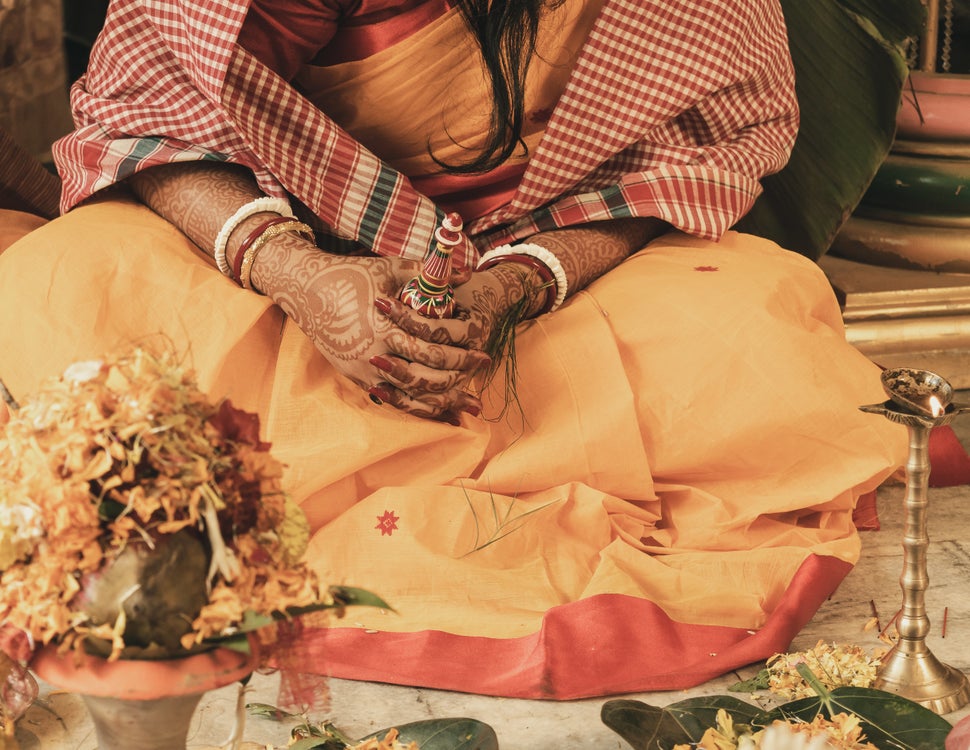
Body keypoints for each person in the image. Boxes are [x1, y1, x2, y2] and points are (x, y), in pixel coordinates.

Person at [0, 0, 905, 699]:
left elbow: (679, 156)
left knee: (759, 314)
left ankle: (368, 460)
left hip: (555, 267)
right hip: (288, 268)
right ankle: (493, 450)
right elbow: (151, 112)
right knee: (60, 281)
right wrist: (302, 276)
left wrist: (514, 289)